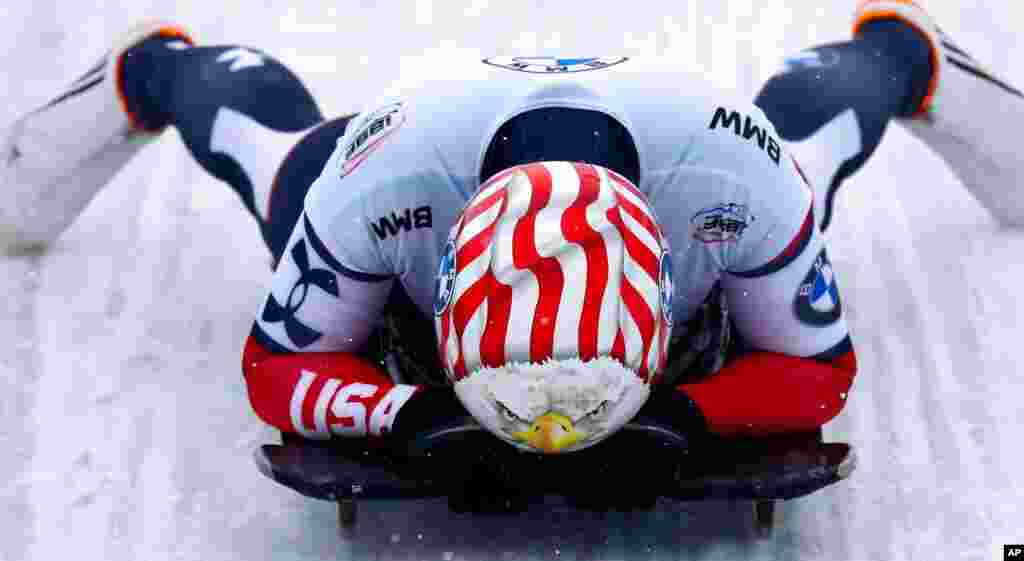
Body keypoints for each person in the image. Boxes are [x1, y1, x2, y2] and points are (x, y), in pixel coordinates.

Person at [3, 1, 1021, 474]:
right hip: (427, 141)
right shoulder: (374, 189)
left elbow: (824, 372)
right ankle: (158, 66)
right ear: (438, 272)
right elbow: (275, 361)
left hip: (680, 141)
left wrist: (693, 418)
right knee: (276, 161)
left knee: (814, 148)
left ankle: (902, 50)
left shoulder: (737, 182)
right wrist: (403, 414)